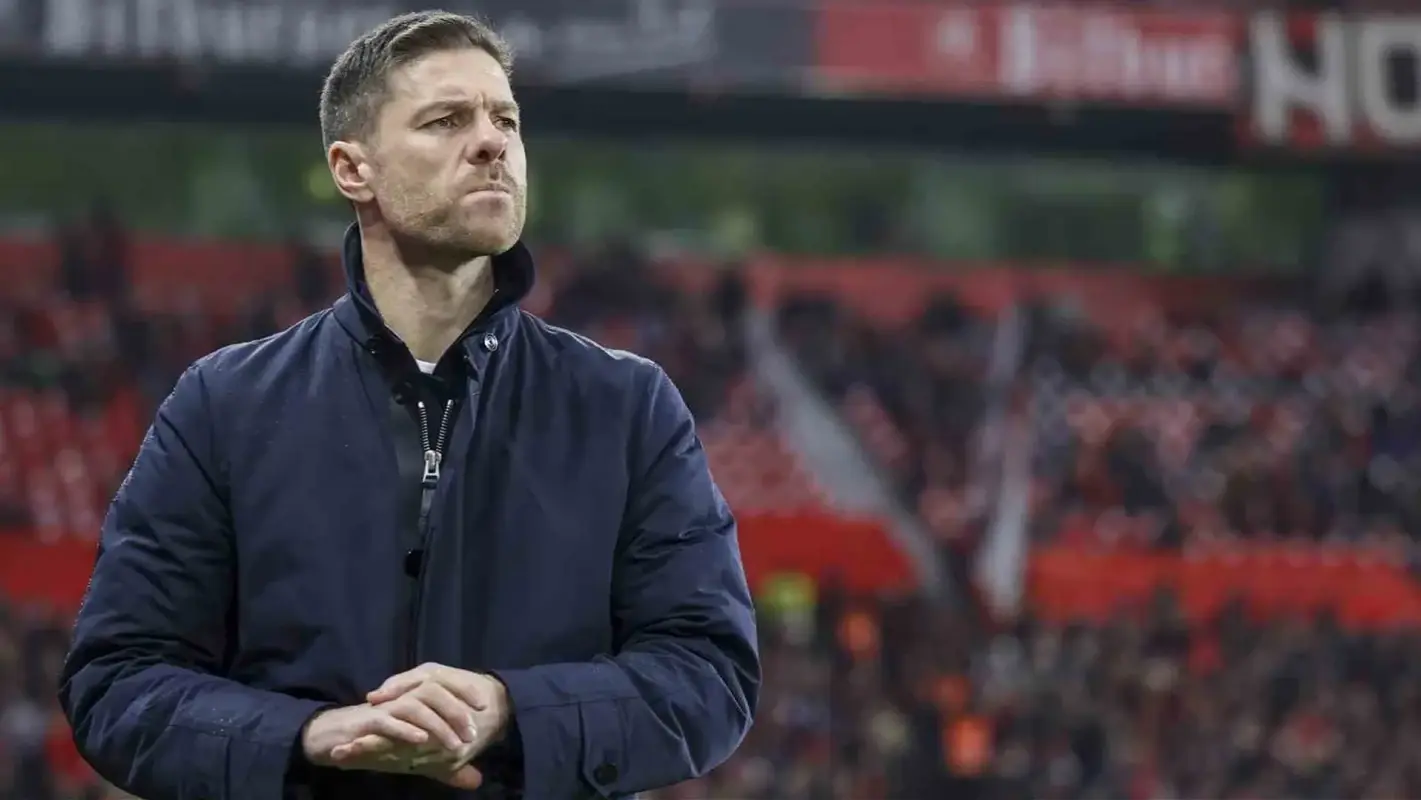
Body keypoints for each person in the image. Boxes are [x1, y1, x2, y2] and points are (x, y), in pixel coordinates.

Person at [57, 11, 760, 799]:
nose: (491, 143)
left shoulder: (627, 408)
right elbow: (117, 682)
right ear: (352, 169)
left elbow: (709, 674)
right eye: (446, 121)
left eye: (505, 120)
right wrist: (307, 737)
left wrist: (512, 711)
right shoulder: (223, 405)